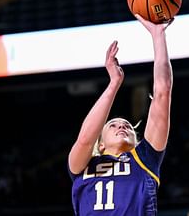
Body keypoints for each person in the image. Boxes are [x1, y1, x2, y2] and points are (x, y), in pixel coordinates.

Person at [68, 14, 174, 215]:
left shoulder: (145, 158)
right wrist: (113, 83)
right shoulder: (81, 165)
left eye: (126, 125)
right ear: (100, 144)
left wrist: (158, 35)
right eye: (113, 125)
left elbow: (162, 92)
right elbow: (84, 140)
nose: (122, 126)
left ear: (136, 140)